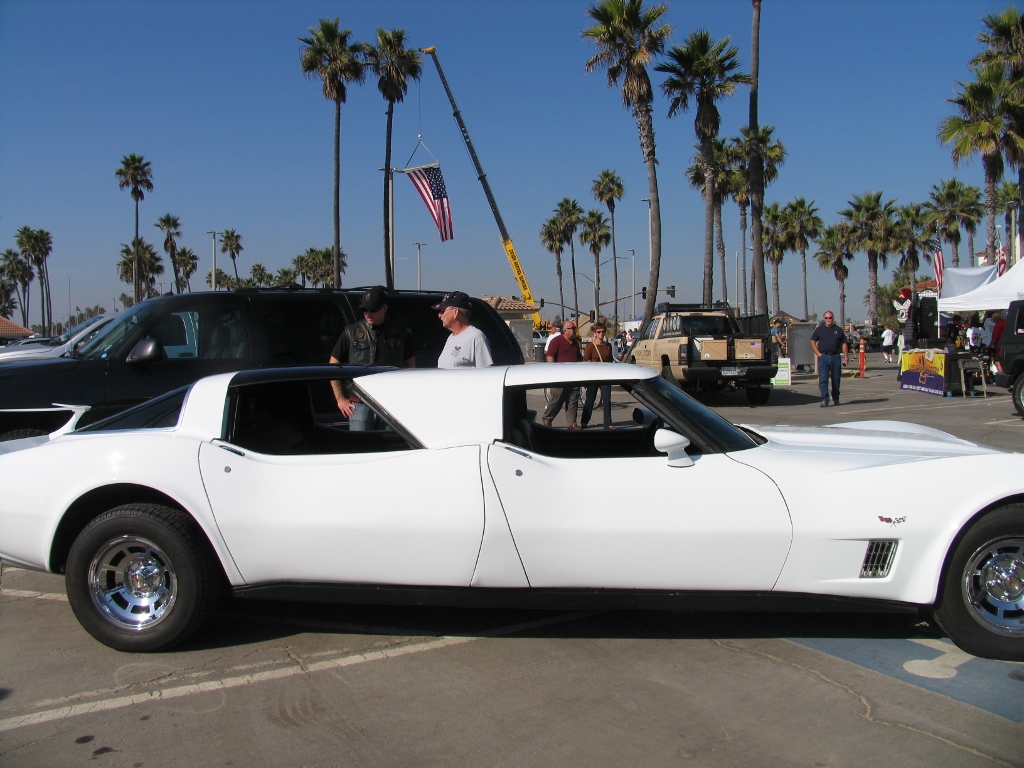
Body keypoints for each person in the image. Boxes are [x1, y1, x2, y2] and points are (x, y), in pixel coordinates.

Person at [329, 286, 415, 430]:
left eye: (372, 310)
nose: (368, 314)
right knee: (360, 446)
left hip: (391, 403)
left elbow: (411, 364)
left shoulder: (400, 332)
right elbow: (333, 363)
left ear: (384, 309)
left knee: (389, 446)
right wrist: (340, 398)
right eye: (365, 310)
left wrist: (408, 397)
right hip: (360, 403)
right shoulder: (351, 332)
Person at [434, 291, 493, 368]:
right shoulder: (451, 337)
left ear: (455, 312)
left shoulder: (476, 337)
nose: (439, 315)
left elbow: (486, 374)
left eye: (442, 311)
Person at [542, 320, 582, 428]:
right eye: (572, 329)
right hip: (560, 376)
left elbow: (578, 357)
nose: (574, 331)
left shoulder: (575, 343)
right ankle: (547, 420)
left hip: (574, 377)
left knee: (573, 400)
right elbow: (550, 356)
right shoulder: (556, 341)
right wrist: (554, 371)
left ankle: (572, 424)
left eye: (574, 329)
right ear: (565, 330)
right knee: (557, 399)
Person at [811, 311, 849, 407]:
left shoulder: (838, 330)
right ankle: (825, 399)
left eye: (830, 318)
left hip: (835, 357)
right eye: (827, 318)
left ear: (833, 318)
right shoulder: (820, 330)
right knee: (823, 379)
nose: (829, 320)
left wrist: (846, 357)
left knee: (836, 379)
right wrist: (818, 353)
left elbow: (844, 343)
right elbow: (812, 341)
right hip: (823, 357)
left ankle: (836, 398)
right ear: (824, 319)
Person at [581, 322, 614, 429]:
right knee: (590, 399)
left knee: (607, 400)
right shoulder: (591, 346)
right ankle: (584, 421)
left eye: (603, 332)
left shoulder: (608, 346)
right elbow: (585, 360)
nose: (601, 334)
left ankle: (608, 423)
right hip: (594, 375)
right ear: (595, 333)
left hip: (605, 375)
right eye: (599, 332)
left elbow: (610, 360)